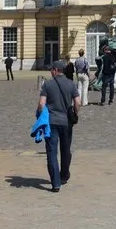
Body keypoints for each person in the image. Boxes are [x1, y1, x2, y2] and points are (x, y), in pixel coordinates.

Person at [37, 60, 81, 192]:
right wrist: (75, 113)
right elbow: (78, 101)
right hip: (66, 122)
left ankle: (56, 183)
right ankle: (64, 175)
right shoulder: (70, 84)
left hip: (51, 122)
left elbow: (41, 104)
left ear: (56, 70)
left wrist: (41, 115)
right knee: (66, 150)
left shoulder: (48, 85)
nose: (51, 72)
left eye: (51, 69)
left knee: (52, 152)